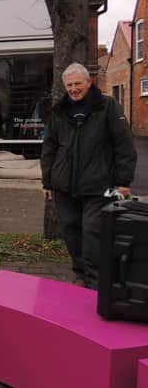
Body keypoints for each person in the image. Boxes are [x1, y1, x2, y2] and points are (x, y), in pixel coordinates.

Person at [41, 62, 137, 288]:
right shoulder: (58, 112)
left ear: (88, 82)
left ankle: (97, 282)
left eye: (78, 84)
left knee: (93, 230)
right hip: (64, 186)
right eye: (69, 85)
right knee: (72, 231)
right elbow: (49, 148)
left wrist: (123, 182)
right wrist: (47, 181)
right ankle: (81, 274)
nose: (74, 89)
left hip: (100, 185)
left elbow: (124, 146)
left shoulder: (108, 106)